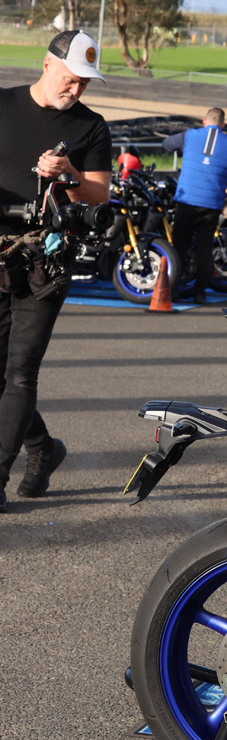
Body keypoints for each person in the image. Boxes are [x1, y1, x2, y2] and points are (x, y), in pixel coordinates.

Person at [0, 29, 112, 510]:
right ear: (47, 64)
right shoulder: (3, 104)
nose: (76, 88)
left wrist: (68, 174)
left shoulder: (92, 127)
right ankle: (44, 448)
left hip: (45, 262)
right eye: (71, 77)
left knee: (21, 373)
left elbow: (99, 196)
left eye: (85, 82)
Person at [162, 107, 227, 303]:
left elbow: (166, 144)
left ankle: (173, 289)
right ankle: (200, 292)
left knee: (180, 245)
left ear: (204, 121)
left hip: (186, 200)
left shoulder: (189, 135)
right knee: (204, 247)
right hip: (212, 203)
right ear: (223, 125)